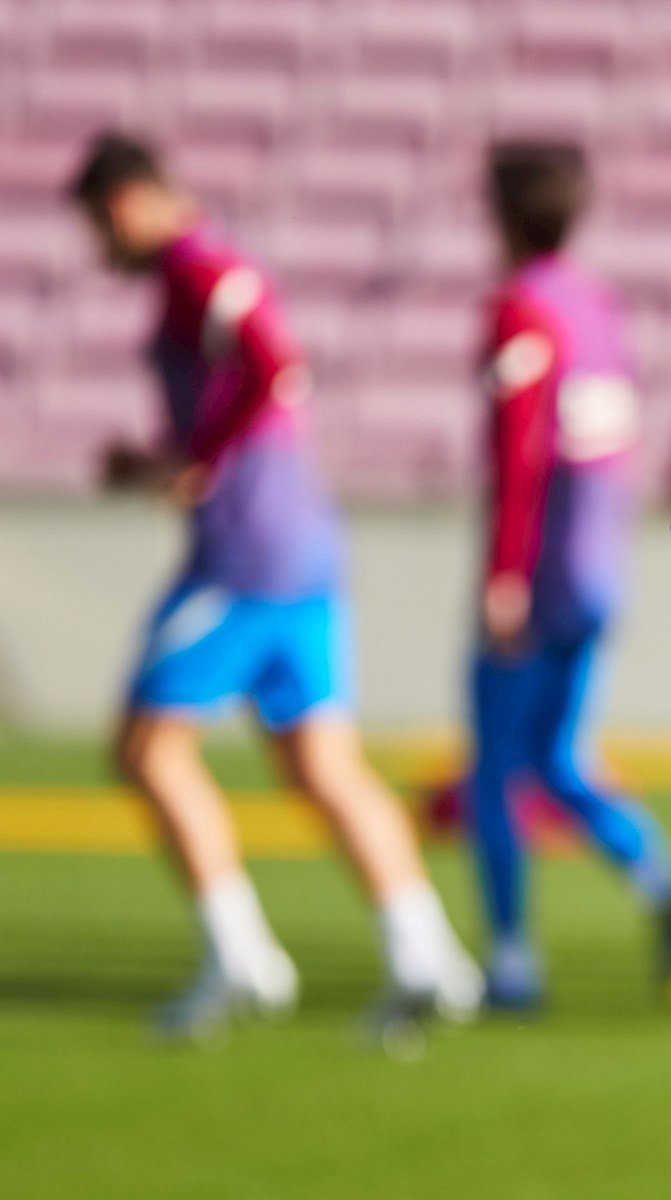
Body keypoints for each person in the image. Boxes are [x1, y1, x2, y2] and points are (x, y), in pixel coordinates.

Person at [68, 132, 482, 1037]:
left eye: (102, 224)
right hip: (302, 545)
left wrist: (201, 464)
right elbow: (249, 380)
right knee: (322, 764)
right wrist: (164, 463)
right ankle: (429, 956)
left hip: (243, 555)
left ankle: (241, 956)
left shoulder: (192, 263)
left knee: (146, 748)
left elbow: (267, 357)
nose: (102, 249)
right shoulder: (201, 269)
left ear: (130, 200)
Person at [467, 142, 671, 1012]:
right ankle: (662, 886)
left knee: (496, 765)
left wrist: (504, 572)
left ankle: (511, 960)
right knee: (561, 756)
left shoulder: (519, 310)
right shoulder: (595, 306)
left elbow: (521, 450)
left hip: (539, 569)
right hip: (599, 568)